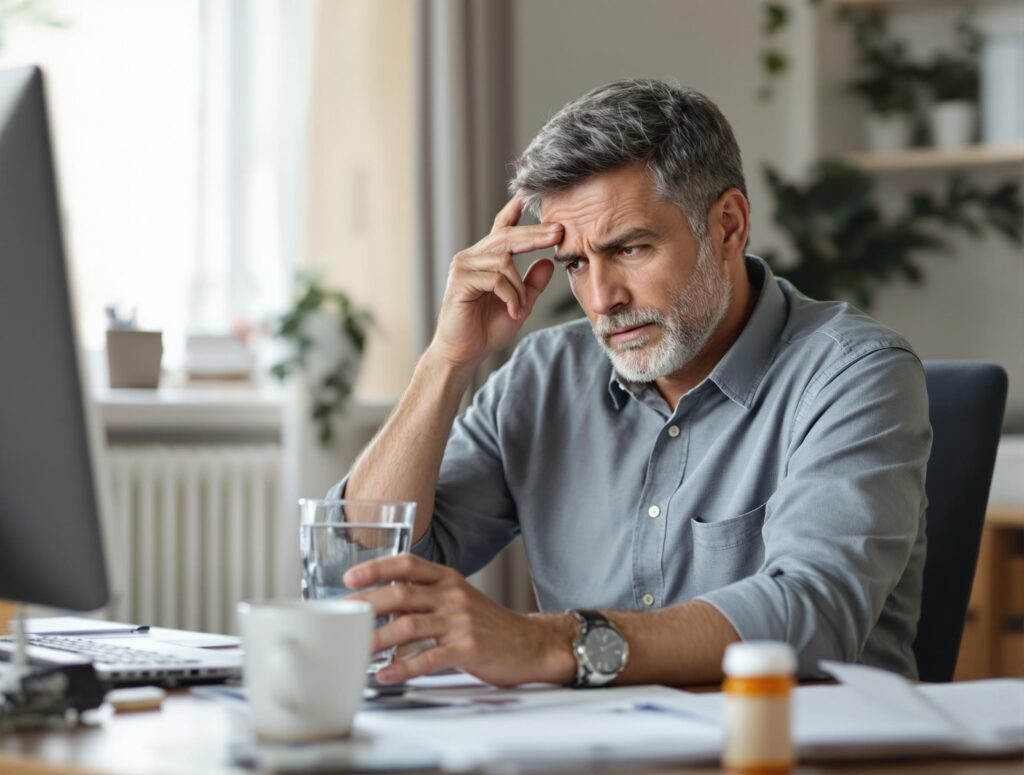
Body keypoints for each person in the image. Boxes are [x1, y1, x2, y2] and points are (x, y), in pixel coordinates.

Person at [332, 79, 932, 689]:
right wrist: (445, 363)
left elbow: (813, 614)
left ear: (727, 225)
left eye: (631, 249)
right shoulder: (543, 376)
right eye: (575, 264)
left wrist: (551, 641)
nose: (601, 300)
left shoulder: (855, 373)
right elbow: (366, 576)